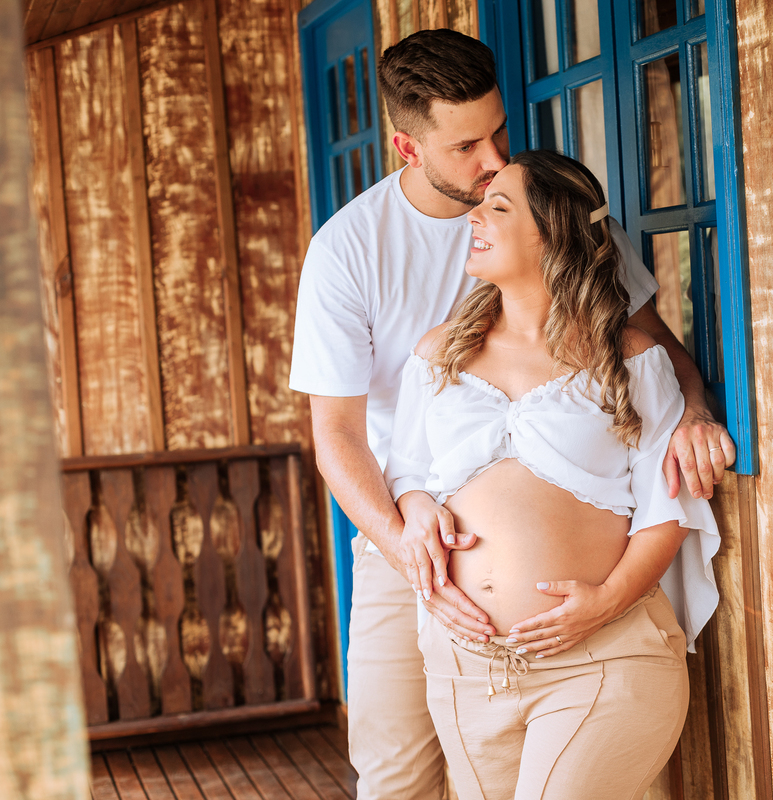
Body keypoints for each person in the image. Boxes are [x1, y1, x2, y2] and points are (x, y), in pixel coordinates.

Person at [288, 29, 734, 800]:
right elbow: (337, 437)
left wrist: (695, 410)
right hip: (405, 534)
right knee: (395, 779)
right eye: (467, 146)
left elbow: (652, 354)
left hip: (591, 611)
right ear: (407, 146)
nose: (494, 158)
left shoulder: (554, 213)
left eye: (498, 132)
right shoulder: (349, 251)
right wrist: (412, 544)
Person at [384, 149, 719, 800]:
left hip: (601, 658)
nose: (474, 216)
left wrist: (605, 603)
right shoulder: (438, 354)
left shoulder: (630, 359)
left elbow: (666, 510)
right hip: (468, 670)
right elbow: (407, 473)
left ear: (553, 233)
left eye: (498, 206)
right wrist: (417, 506)